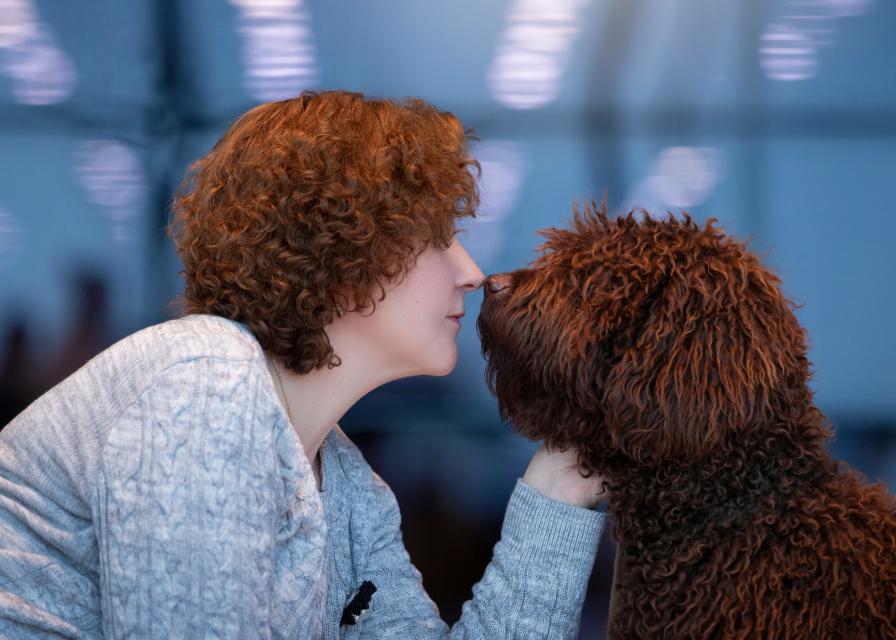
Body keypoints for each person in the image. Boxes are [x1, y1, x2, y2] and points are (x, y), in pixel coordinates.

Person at [0, 89, 609, 639]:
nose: (472, 272)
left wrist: (557, 484)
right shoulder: (200, 386)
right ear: (344, 251)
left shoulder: (347, 489)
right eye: (437, 238)